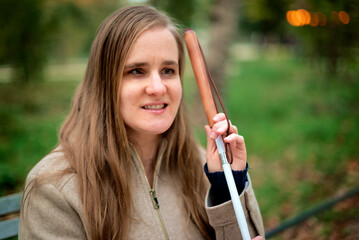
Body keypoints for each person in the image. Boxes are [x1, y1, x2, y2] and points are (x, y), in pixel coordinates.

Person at [19, 5, 265, 240]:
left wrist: (226, 187)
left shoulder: (203, 166)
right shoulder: (53, 189)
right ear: (104, 83)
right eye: (137, 71)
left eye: (168, 70)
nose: (158, 88)